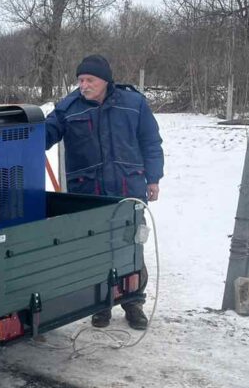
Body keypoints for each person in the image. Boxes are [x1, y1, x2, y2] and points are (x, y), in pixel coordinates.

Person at [45, 54, 164, 330]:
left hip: (128, 190)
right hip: (89, 194)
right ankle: (101, 305)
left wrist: (153, 178)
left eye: (89, 80)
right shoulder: (68, 108)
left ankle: (133, 303)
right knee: (96, 251)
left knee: (130, 248)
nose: (83, 85)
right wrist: (20, 141)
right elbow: (46, 133)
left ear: (105, 81)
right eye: (80, 80)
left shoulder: (134, 104)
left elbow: (151, 142)